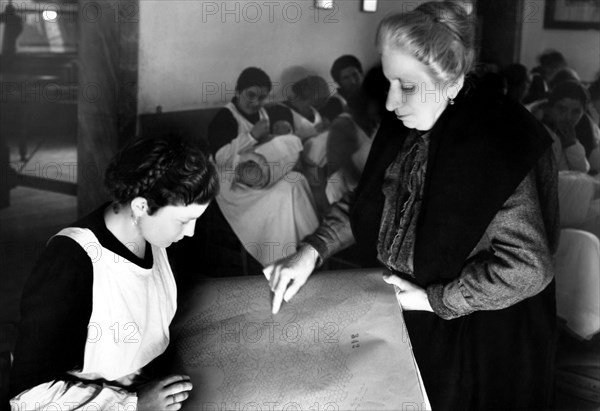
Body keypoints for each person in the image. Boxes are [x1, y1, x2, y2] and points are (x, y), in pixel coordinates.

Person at [264, 2, 559, 410]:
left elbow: (529, 267)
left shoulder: (495, 141)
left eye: (406, 86)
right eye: (388, 82)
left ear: (452, 82)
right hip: (408, 320)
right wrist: (311, 251)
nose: (389, 102)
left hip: (476, 343)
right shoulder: (407, 123)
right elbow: (369, 203)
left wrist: (433, 300)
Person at [8, 135, 219, 410]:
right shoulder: (72, 263)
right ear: (141, 206)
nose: (190, 232)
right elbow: (28, 395)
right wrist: (131, 404)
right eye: (183, 221)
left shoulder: (159, 239)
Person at [208, 67, 319, 267]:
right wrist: (251, 136)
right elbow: (221, 159)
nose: (256, 102)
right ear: (238, 91)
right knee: (281, 195)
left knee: (297, 182)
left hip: (262, 173)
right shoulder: (224, 117)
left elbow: (270, 144)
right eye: (251, 95)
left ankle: (309, 251)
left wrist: (278, 134)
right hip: (233, 183)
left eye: (261, 97)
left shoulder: (264, 114)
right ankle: (280, 260)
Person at [540, 80, 600, 173]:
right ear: (550, 108)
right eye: (561, 109)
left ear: (582, 114)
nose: (568, 117)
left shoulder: (571, 134)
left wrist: (571, 144)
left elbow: (581, 172)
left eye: (575, 112)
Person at [319, 55, 364, 122]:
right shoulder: (335, 103)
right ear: (338, 82)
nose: (353, 81)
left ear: (361, 74)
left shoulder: (373, 90)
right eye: (346, 78)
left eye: (355, 74)